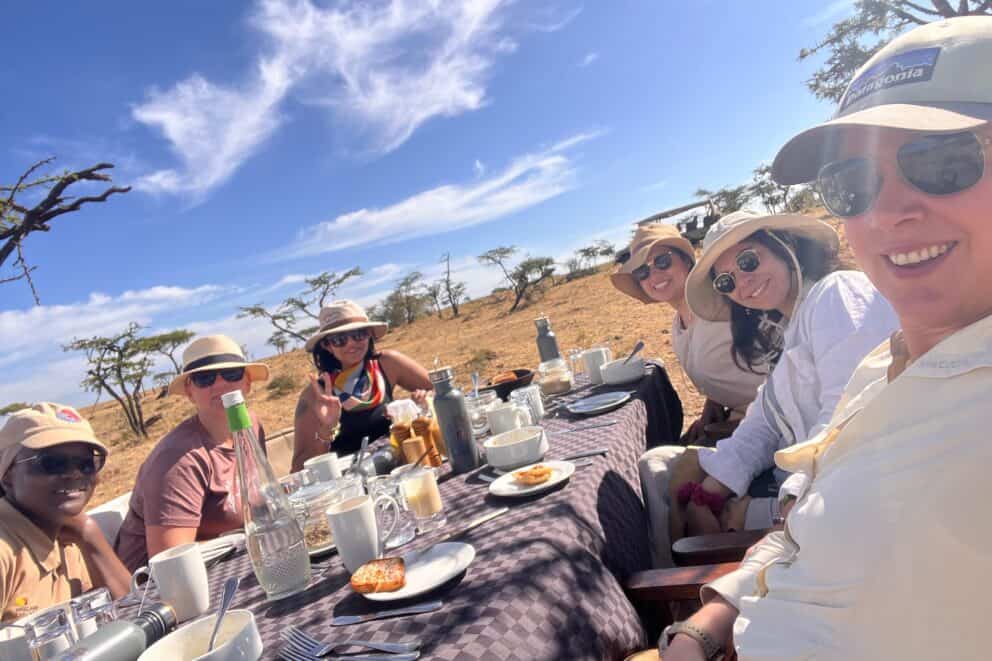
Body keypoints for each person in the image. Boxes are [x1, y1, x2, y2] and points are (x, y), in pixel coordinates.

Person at [661, 16, 992, 660]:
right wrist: (707, 624)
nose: (888, 211)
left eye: (946, 161)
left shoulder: (841, 301)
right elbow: (805, 514)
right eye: (853, 185)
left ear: (783, 247)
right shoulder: (881, 363)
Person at [644, 209, 899, 562]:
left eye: (748, 260)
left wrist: (764, 513)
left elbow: (852, 417)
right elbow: (762, 422)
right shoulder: (787, 328)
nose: (742, 283)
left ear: (786, 244)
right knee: (659, 468)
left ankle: (679, 590)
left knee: (661, 479)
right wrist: (711, 492)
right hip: (803, 485)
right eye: (726, 281)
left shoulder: (836, 294)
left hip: (836, 499)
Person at [114, 335, 269, 571]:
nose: (219, 384)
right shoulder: (179, 459)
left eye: (231, 374)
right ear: (189, 391)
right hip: (158, 591)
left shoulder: (251, 427)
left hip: (233, 564)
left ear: (247, 381)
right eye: (204, 378)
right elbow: (171, 563)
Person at [612, 223, 767, 443]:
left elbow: (775, 360)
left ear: (686, 260)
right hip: (735, 422)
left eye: (662, 261)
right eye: (642, 271)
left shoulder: (726, 300)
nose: (654, 273)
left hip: (766, 421)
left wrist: (742, 423)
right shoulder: (678, 325)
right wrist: (712, 404)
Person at [0, 403, 130, 622]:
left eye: (86, 463)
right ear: (7, 475)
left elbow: (132, 612)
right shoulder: (6, 551)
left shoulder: (64, 532)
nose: (74, 474)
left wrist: (89, 536)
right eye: (53, 463)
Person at [292, 300, 433, 471]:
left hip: (403, 463)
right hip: (353, 482)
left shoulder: (388, 364)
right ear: (327, 346)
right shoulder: (315, 394)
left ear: (369, 334)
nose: (351, 343)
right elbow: (299, 468)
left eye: (358, 334)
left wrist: (423, 404)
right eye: (339, 339)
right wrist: (326, 429)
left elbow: (440, 389)